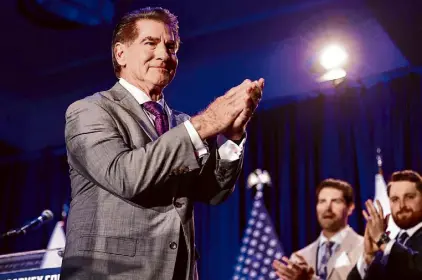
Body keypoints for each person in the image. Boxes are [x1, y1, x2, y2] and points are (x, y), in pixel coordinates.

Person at [60, 6, 264, 280]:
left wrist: (232, 138)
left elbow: (214, 193)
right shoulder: (89, 111)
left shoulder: (182, 124)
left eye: (171, 47)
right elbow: (125, 176)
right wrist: (204, 124)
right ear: (121, 53)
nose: (164, 55)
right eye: (151, 43)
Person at [273, 179, 363, 280]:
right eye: (322, 201)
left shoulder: (365, 249)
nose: (328, 208)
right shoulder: (299, 258)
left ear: (350, 207)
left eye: (336, 201)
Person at [347, 170, 422, 280]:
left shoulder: (386, 243)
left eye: (409, 197)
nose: (401, 205)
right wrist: (368, 257)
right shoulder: (388, 246)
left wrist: (381, 238)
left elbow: (417, 269)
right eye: (395, 199)